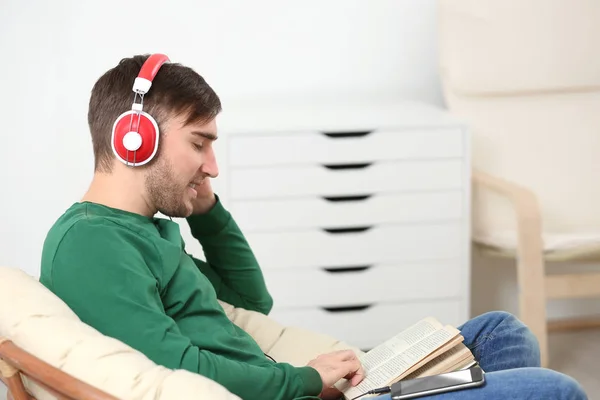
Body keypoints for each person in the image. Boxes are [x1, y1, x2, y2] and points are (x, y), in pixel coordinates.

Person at [39, 54, 587, 400]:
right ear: (136, 139)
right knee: (555, 388)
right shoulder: (93, 243)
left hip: (306, 387)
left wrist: (208, 212)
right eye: (199, 143)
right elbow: (178, 369)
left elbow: (251, 299)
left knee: (502, 333)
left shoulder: (146, 231)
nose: (213, 166)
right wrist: (305, 379)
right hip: (296, 393)